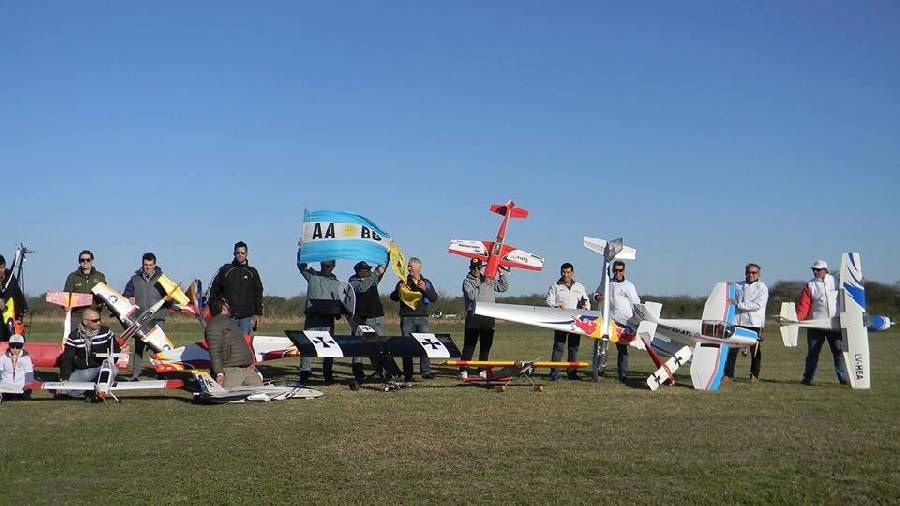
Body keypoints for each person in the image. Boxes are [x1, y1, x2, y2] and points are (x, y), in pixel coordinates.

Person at [797, 260, 849, 386]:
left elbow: (848, 294)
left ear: (825, 270)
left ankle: (844, 378)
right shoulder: (810, 285)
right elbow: (804, 304)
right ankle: (808, 378)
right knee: (813, 352)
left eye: (818, 269)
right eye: (814, 269)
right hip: (816, 324)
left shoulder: (836, 281)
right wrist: (797, 319)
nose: (815, 272)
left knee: (838, 350)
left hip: (835, 324)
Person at [296, 256, 344, 385]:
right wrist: (302, 250)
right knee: (307, 347)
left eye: (328, 266)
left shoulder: (337, 283)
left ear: (333, 265)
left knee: (329, 348)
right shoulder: (312, 276)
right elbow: (301, 266)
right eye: (323, 265)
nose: (325, 268)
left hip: (328, 321)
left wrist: (339, 311)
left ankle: (327, 374)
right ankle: (304, 373)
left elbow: (339, 303)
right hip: (312, 319)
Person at [389, 257, 439, 381]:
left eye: (411, 266)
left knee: (425, 344)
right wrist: (398, 289)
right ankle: (408, 373)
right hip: (406, 318)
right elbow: (393, 297)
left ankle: (426, 371)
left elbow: (434, 298)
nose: (409, 268)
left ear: (418, 267)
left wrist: (425, 289)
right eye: (409, 266)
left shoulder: (426, 281)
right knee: (406, 346)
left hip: (422, 318)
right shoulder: (403, 281)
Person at [459, 258, 508, 379]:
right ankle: (464, 369)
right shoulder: (467, 281)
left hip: (488, 316)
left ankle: (482, 369)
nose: (476, 270)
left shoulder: (488, 279)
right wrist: (483, 283)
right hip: (474, 316)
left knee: (486, 345)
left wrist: (502, 274)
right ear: (470, 268)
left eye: (479, 267)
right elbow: (472, 296)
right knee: (470, 344)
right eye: (474, 267)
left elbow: (503, 287)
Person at [122, 252, 167, 380]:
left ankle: (162, 374)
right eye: (145, 265)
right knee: (138, 348)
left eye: (150, 265)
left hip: (158, 318)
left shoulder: (162, 279)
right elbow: (125, 295)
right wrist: (128, 298)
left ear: (155, 265)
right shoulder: (134, 279)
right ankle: (135, 375)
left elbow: (170, 299)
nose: (148, 267)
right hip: (139, 318)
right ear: (142, 264)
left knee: (159, 347)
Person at [594, 260, 640, 382]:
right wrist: (598, 297)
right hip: (609, 320)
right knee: (601, 346)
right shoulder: (607, 283)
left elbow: (636, 303)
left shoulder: (629, 286)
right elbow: (596, 294)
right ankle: (599, 371)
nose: (618, 272)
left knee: (622, 349)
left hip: (625, 322)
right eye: (615, 270)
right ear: (613, 270)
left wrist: (638, 319)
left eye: (620, 270)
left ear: (623, 271)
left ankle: (623, 374)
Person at [723, 263, 769, 384]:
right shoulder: (739, 285)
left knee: (755, 350)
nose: (751, 275)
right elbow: (729, 292)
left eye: (754, 272)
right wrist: (726, 286)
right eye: (748, 272)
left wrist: (738, 304)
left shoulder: (762, 287)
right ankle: (728, 374)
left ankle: (754, 374)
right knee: (732, 349)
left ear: (758, 274)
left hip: (754, 322)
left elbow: (757, 305)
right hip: (738, 321)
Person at [58, 308, 118, 398]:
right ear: (85, 322)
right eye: (95, 321)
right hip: (82, 371)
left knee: (114, 370)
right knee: (68, 392)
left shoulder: (106, 333)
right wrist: (65, 379)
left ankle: (97, 389)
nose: (99, 322)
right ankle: (89, 389)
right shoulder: (74, 336)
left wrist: (108, 363)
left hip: (100, 369)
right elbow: (67, 358)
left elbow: (116, 351)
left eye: (99, 320)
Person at [545, 263, 590, 382]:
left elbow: (586, 301)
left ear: (572, 273)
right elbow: (549, 301)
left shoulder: (580, 287)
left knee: (574, 348)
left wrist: (585, 308)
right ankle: (554, 373)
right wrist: (556, 305)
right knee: (559, 347)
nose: (565, 275)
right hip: (560, 321)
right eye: (563, 272)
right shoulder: (555, 286)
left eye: (568, 272)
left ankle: (572, 373)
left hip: (575, 322)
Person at [209, 241, 264, 337]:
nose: (240, 255)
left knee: (243, 344)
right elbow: (214, 289)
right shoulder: (225, 269)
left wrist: (257, 314)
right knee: (230, 343)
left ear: (247, 254)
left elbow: (258, 294)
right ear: (234, 254)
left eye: (243, 252)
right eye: (237, 253)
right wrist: (216, 308)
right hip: (229, 316)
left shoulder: (252, 272)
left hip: (246, 317)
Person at [205, 297, 263, 388]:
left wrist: (250, 362)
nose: (230, 306)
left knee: (260, 391)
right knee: (228, 394)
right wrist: (220, 374)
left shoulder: (230, 322)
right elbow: (214, 352)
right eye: (227, 304)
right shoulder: (214, 325)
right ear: (223, 308)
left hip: (247, 369)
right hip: (231, 370)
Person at [348, 261, 388, 382]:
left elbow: (381, 269)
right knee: (359, 348)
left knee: (380, 347)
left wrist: (386, 256)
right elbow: (362, 288)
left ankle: (383, 372)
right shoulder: (353, 282)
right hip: (361, 320)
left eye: (370, 270)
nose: (369, 272)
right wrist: (376, 273)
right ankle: (358, 372)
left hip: (377, 319)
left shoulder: (372, 277)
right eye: (366, 270)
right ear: (359, 272)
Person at [63, 250, 107, 326]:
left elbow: (106, 294)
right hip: (77, 315)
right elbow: (66, 295)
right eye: (82, 260)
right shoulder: (72, 276)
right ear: (79, 262)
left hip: (95, 315)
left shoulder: (100, 276)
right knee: (76, 337)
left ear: (92, 261)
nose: (85, 262)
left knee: (94, 337)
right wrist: (65, 306)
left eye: (88, 260)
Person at [0, 254, 28, 342]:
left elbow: (17, 292)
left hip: (11, 315)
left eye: (2, 267)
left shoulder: (10, 276)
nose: (0, 270)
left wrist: (24, 307)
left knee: (12, 337)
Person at [0, 334, 34, 399]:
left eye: (18, 346)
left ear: (22, 346)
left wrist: (27, 387)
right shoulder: (2, 358)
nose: (15, 349)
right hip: (5, 388)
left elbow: (29, 375)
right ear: (9, 346)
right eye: (12, 346)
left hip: (20, 388)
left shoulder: (26, 359)